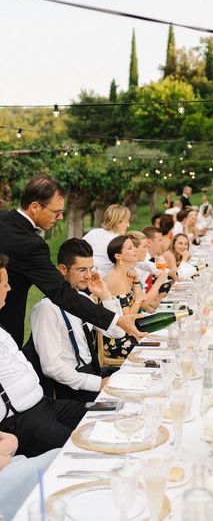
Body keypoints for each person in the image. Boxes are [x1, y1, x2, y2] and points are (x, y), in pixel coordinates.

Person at [0, 175, 141, 348]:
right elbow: (62, 293)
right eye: (56, 212)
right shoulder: (31, 244)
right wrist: (116, 320)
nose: (60, 217)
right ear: (35, 207)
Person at [0, 254, 86, 456]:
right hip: (21, 421)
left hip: (44, 404)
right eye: (5, 284)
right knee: (79, 449)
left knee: (104, 412)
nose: (9, 288)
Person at [30, 239, 125, 402]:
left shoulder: (82, 299)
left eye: (90, 269)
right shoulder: (46, 309)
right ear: (63, 269)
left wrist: (106, 296)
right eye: (82, 270)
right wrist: (97, 383)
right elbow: (51, 367)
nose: (88, 276)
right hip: (70, 390)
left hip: (94, 373)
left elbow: (117, 332)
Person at [0, 432, 58, 521]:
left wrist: (10, 441)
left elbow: (11, 441)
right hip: (7, 473)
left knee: (58, 455)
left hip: (10, 462)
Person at [83, 203, 131, 277]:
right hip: (103, 281)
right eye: (126, 221)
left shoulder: (93, 232)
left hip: (84, 275)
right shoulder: (119, 241)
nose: (128, 225)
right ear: (118, 222)